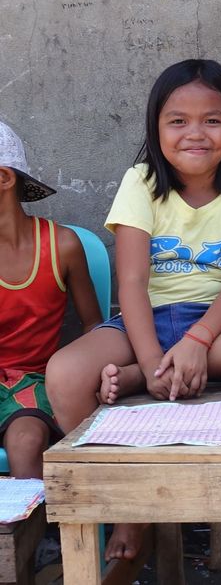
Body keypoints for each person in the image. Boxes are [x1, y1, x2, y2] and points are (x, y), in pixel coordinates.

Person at [45, 59, 221, 560]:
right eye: (178, 120)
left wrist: (198, 340)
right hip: (141, 323)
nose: (196, 133)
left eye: (212, 119)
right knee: (63, 372)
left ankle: (152, 379)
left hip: (215, 328)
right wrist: (148, 358)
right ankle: (128, 507)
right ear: (156, 128)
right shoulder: (140, 183)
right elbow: (133, 282)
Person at [0, 121, 102, 479]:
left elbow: (93, 325)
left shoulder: (62, 246)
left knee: (27, 441)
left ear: (4, 179)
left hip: (34, 382)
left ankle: (32, 533)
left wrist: (97, 374)